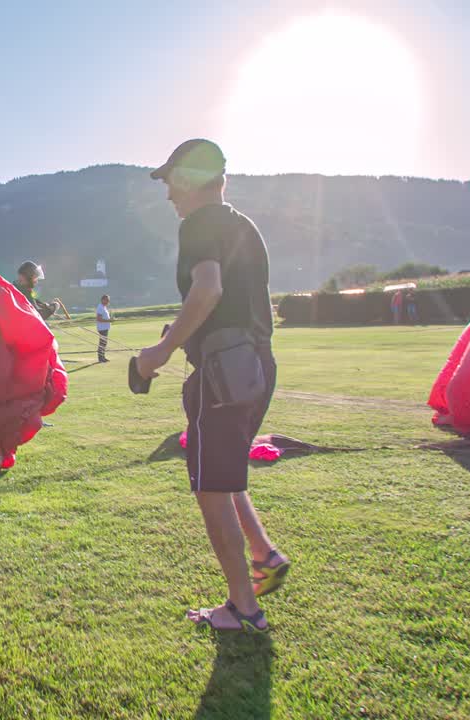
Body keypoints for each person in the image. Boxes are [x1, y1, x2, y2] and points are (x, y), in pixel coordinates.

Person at [135, 139, 289, 632]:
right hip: (256, 365)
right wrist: (181, 334)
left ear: (189, 180)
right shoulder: (243, 225)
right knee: (219, 471)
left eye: (171, 183)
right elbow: (230, 304)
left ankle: (243, 610)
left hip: (223, 372)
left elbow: (208, 288)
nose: (168, 196)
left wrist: (156, 355)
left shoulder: (198, 224)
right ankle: (263, 554)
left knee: (208, 485)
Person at [96, 294, 113, 362]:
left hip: (105, 328)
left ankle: (102, 357)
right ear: (103, 300)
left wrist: (109, 320)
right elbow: (99, 319)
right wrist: (109, 320)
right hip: (102, 328)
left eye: (108, 300)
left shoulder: (103, 307)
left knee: (104, 343)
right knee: (102, 343)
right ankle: (101, 358)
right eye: (107, 300)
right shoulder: (100, 307)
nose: (108, 302)